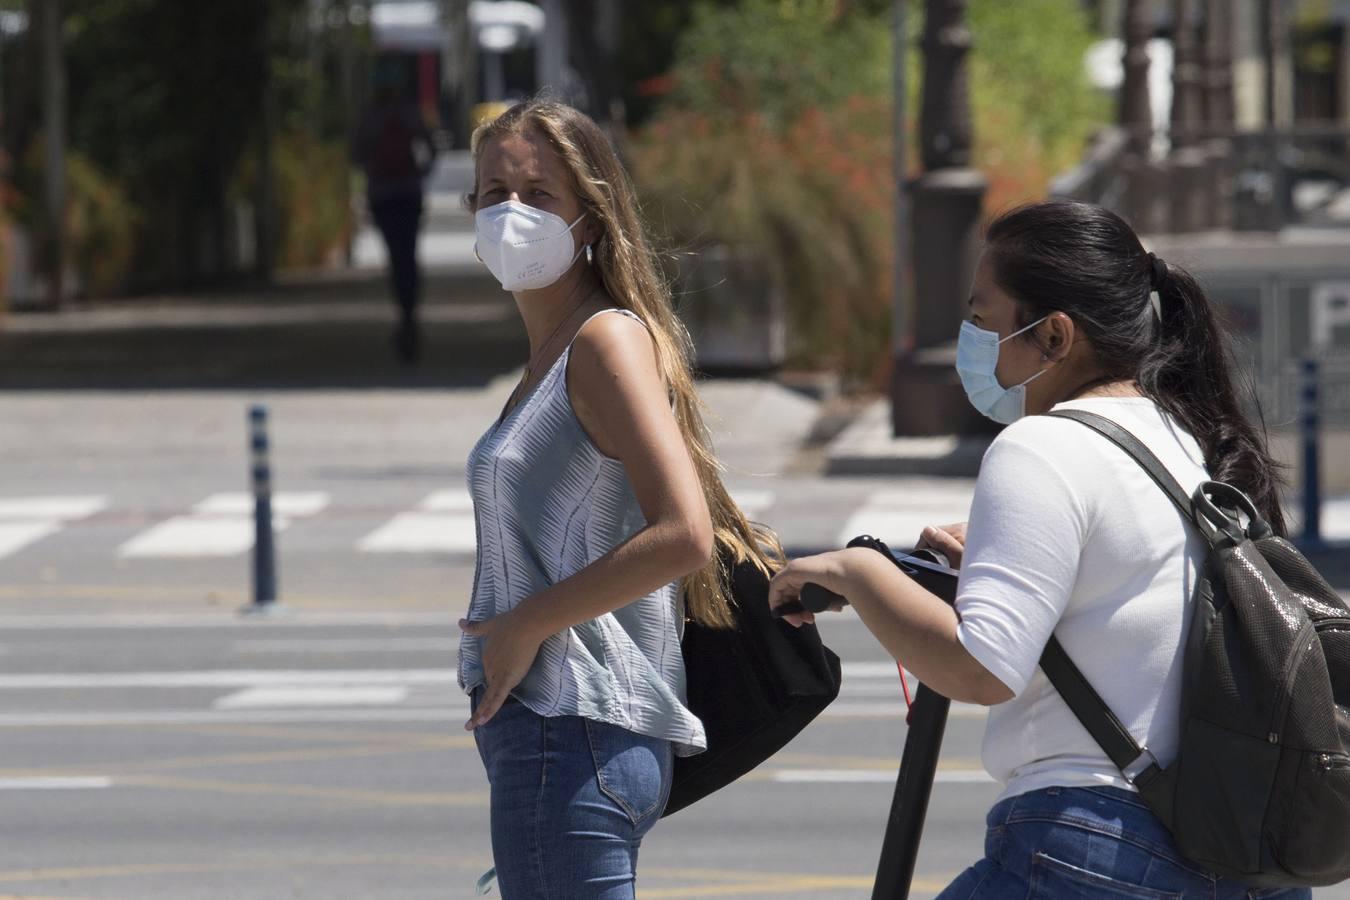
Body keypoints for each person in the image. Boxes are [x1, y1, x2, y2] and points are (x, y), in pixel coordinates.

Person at [769, 201, 1309, 899]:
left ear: (1054, 336)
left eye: (985, 321)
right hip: (1219, 841)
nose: (973, 342)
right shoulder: (1182, 439)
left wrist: (857, 571)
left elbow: (982, 667)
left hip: (1095, 843)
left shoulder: (1042, 444)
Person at [457, 98, 779, 899]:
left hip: (572, 730)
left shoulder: (603, 341)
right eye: (493, 193)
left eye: (538, 196)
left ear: (591, 220)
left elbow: (684, 535)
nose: (511, 214)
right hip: (570, 738)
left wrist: (524, 624)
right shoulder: (554, 357)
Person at [352, 63, 436, 364]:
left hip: (383, 195)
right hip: (408, 193)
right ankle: (409, 312)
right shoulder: (411, 113)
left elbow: (357, 154)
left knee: (395, 255)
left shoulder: (371, 115)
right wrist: (418, 173)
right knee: (409, 255)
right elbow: (430, 149)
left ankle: (405, 312)